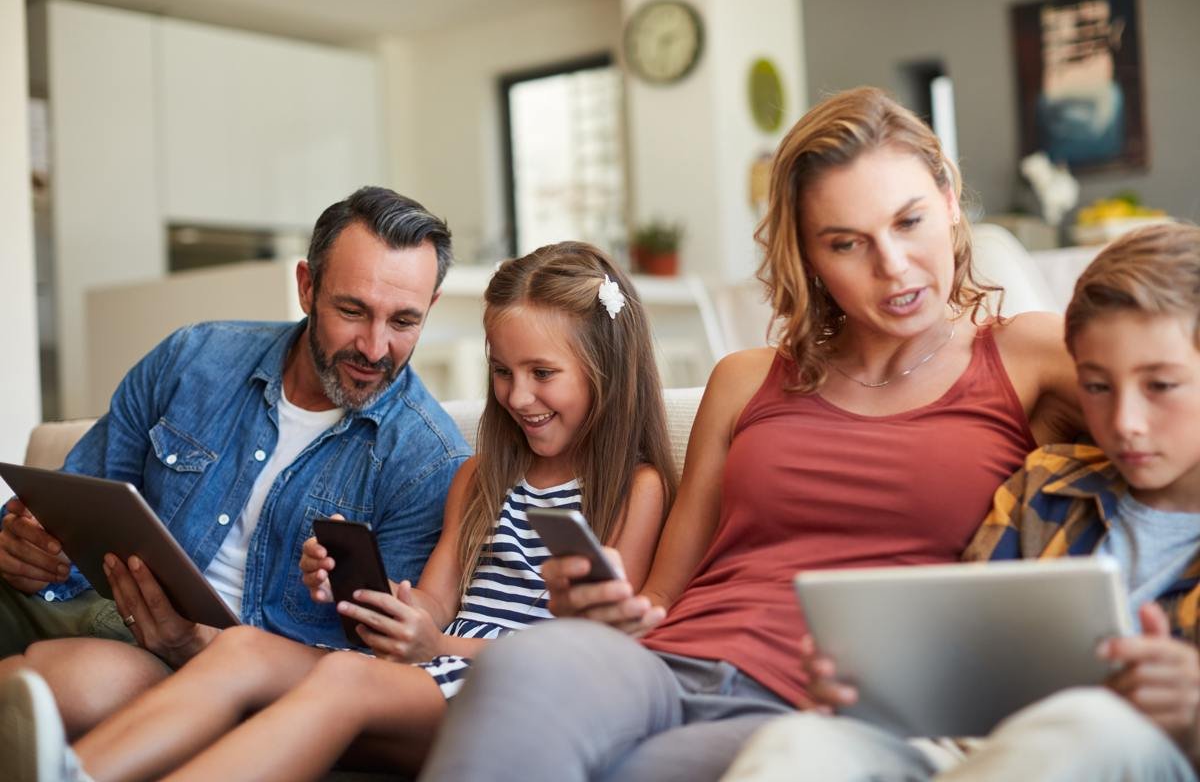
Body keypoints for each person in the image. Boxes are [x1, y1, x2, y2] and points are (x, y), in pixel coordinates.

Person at [410, 86, 1083, 782]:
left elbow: (1166, 396)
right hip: (660, 665)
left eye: (909, 221)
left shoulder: (1027, 356)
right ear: (809, 257)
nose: (892, 265)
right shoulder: (746, 379)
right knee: (531, 662)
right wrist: (612, 606)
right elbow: (663, 598)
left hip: (808, 706)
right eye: (846, 243)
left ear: (949, 200)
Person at [0, 241, 677, 782]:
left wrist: (433, 646)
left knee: (347, 676)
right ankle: (80, 770)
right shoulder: (480, 476)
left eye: (542, 373)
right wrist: (361, 596)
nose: (517, 396)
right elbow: (434, 602)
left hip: (512, 691)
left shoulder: (633, 488)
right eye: (502, 372)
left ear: (606, 371)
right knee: (241, 647)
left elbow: (593, 647)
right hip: (426, 678)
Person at [723, 223, 1200, 781]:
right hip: (976, 752)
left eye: (1161, 386)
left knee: (1094, 723)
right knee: (800, 743)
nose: (1125, 423)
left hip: (1144, 754)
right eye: (1096, 386)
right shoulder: (1048, 487)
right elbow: (959, 655)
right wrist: (873, 685)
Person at [0, 186, 470, 735]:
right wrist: (26, 544)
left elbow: (373, 673)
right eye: (352, 310)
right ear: (307, 286)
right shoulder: (193, 359)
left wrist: (195, 644)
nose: (373, 347)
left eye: (403, 322)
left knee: (40, 686)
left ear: (429, 309)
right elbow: (73, 503)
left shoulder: (428, 460)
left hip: (202, 673)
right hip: (81, 605)